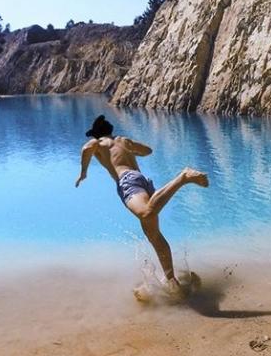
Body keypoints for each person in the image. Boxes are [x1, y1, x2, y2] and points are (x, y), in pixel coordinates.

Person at [74, 114, 208, 293]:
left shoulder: (98, 143)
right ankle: (172, 281)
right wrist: (129, 150)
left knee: (146, 213)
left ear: (97, 135)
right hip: (142, 179)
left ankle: (183, 177)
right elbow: (148, 151)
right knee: (154, 235)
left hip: (127, 182)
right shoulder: (123, 141)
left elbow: (86, 148)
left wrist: (83, 172)